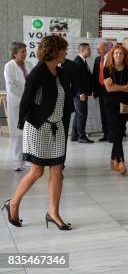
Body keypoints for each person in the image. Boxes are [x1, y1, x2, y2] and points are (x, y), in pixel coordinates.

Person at [3, 35, 71, 230]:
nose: (65, 53)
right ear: (54, 51)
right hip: (38, 128)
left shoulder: (60, 72)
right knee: (37, 171)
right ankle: (13, 203)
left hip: (57, 128)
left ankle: (53, 213)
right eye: (63, 49)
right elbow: (25, 103)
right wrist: (28, 125)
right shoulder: (37, 73)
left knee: (58, 170)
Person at [103, 44, 128, 176]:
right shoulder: (107, 69)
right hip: (110, 104)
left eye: (121, 53)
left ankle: (112, 159)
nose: (118, 56)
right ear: (112, 55)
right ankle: (121, 161)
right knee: (116, 130)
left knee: (119, 132)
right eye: (116, 53)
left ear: (124, 55)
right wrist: (123, 87)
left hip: (125, 105)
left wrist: (117, 86)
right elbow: (109, 89)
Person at [3, 42, 33, 171]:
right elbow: (11, 87)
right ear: (15, 53)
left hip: (30, 103)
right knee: (17, 132)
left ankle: (28, 159)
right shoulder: (9, 66)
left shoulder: (29, 65)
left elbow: (33, 82)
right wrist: (24, 99)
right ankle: (17, 161)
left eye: (25, 51)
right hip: (17, 103)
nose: (25, 53)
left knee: (29, 132)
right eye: (22, 51)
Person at [71, 43, 94, 143]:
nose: (90, 51)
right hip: (80, 94)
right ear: (82, 50)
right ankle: (82, 137)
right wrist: (80, 93)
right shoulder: (77, 61)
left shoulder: (82, 61)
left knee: (78, 114)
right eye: (88, 50)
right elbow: (76, 80)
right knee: (82, 115)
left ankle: (74, 136)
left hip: (83, 92)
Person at [92, 42, 110, 142]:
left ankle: (112, 134)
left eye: (100, 49)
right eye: (97, 49)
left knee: (110, 113)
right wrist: (95, 90)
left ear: (106, 48)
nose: (98, 51)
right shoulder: (97, 59)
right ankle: (106, 134)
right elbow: (95, 75)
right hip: (101, 89)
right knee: (103, 113)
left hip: (110, 90)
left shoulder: (112, 58)